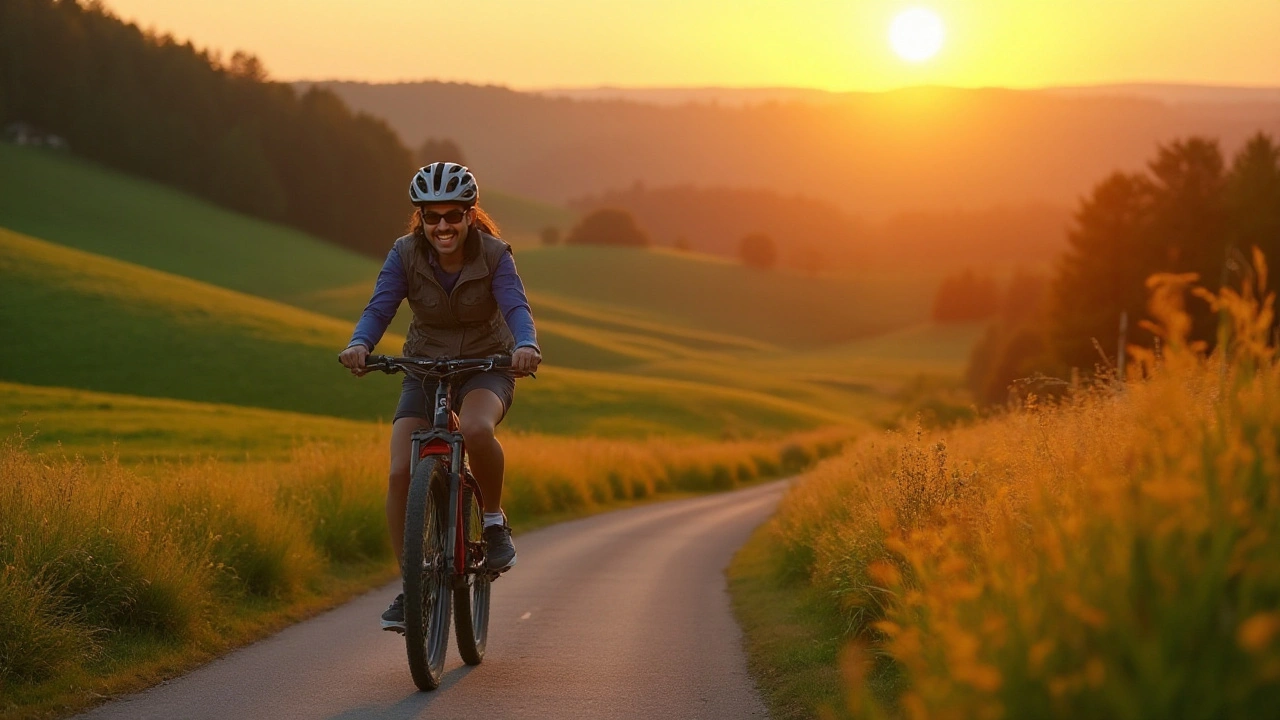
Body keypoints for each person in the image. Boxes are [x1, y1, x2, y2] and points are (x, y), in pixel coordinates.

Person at [338, 162, 542, 632]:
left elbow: (515, 304)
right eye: (432, 217)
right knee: (399, 471)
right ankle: (413, 588)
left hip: (487, 366)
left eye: (453, 215)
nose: (443, 226)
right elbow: (380, 305)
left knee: (473, 428)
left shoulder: (495, 255)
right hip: (423, 367)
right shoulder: (403, 254)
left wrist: (525, 346)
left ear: (471, 215)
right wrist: (359, 344)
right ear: (421, 219)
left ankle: (491, 521)